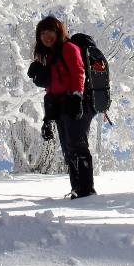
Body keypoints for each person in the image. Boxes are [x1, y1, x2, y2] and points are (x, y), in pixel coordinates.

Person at [27, 15, 97, 199]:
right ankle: (78, 190)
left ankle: (86, 191)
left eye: (49, 31)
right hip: (61, 107)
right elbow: (51, 89)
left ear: (58, 31)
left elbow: (78, 71)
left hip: (78, 102)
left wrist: (76, 96)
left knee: (77, 145)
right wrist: (47, 119)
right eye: (41, 33)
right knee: (68, 149)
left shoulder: (68, 47)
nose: (45, 36)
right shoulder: (51, 57)